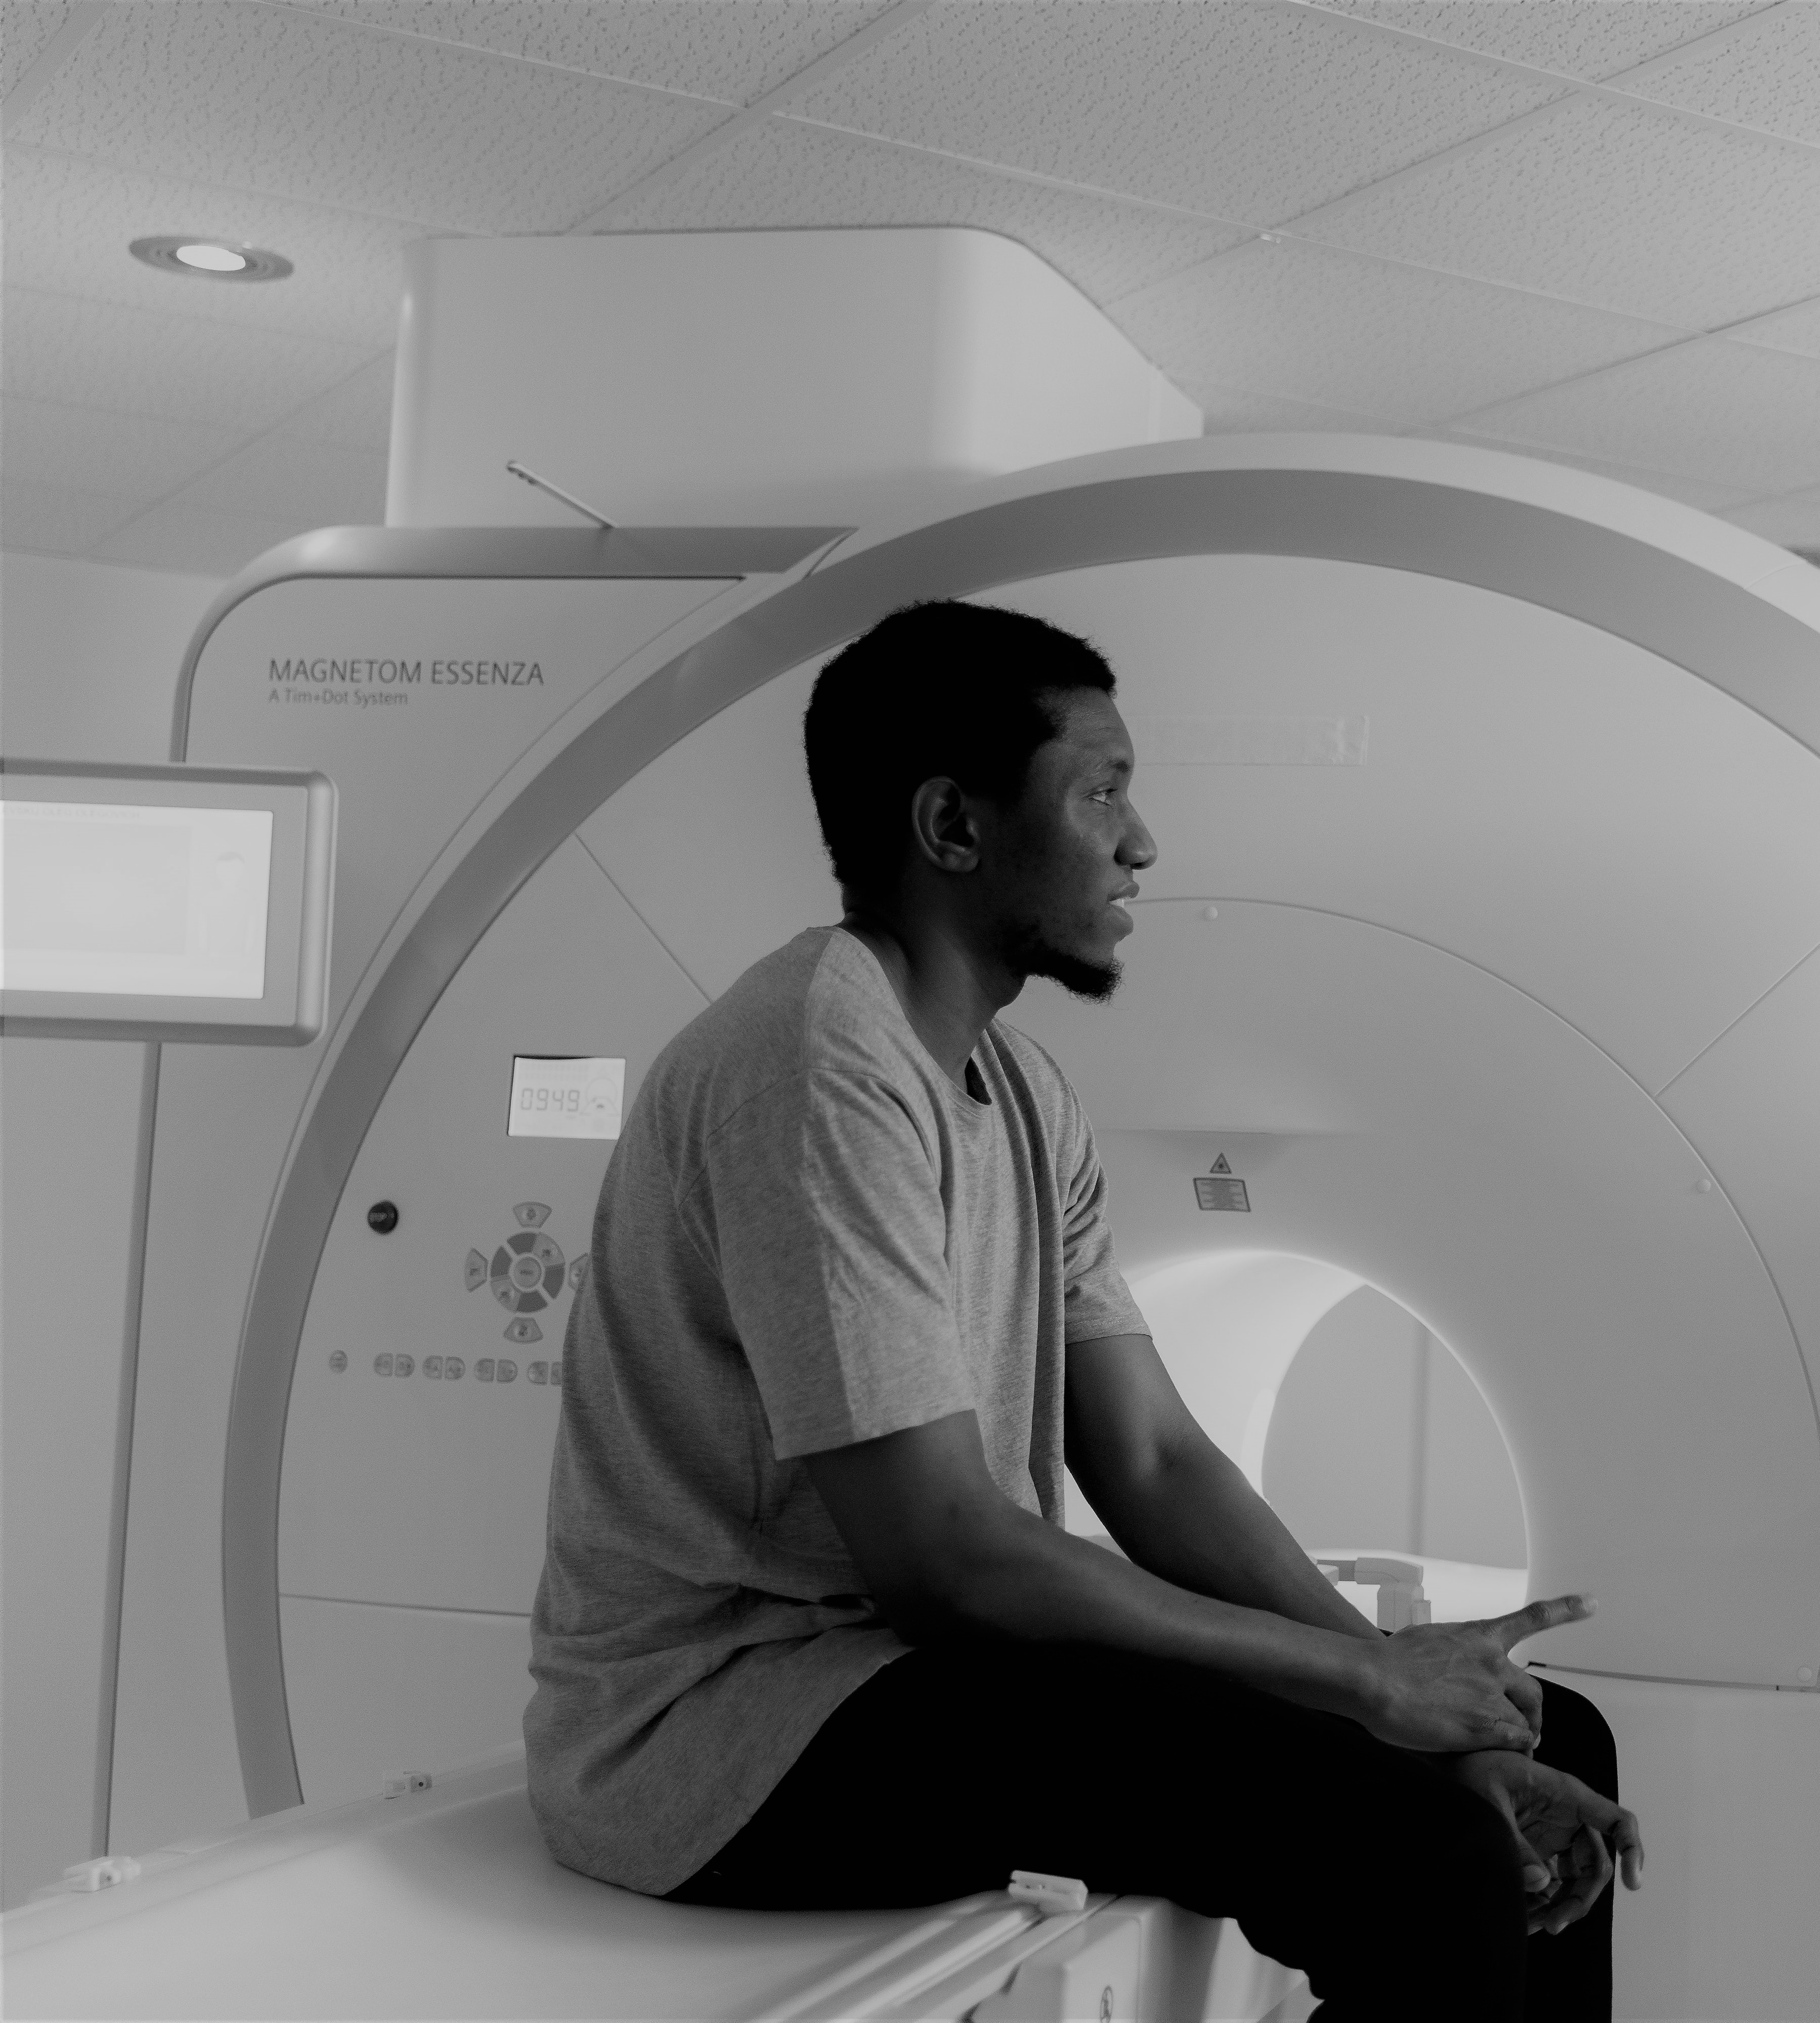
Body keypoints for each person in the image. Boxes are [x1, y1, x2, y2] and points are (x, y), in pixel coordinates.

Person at [528, 600, 1639, 2021]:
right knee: (1413, 1843)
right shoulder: (815, 1065)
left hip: (918, 1673)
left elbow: (1155, 1460)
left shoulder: (1025, 1096)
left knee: (1550, 1750)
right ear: (953, 827)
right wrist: (1366, 1694)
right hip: (731, 1724)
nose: (1142, 841)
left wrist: (1406, 1691)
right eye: (1101, 791)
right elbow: (943, 1555)